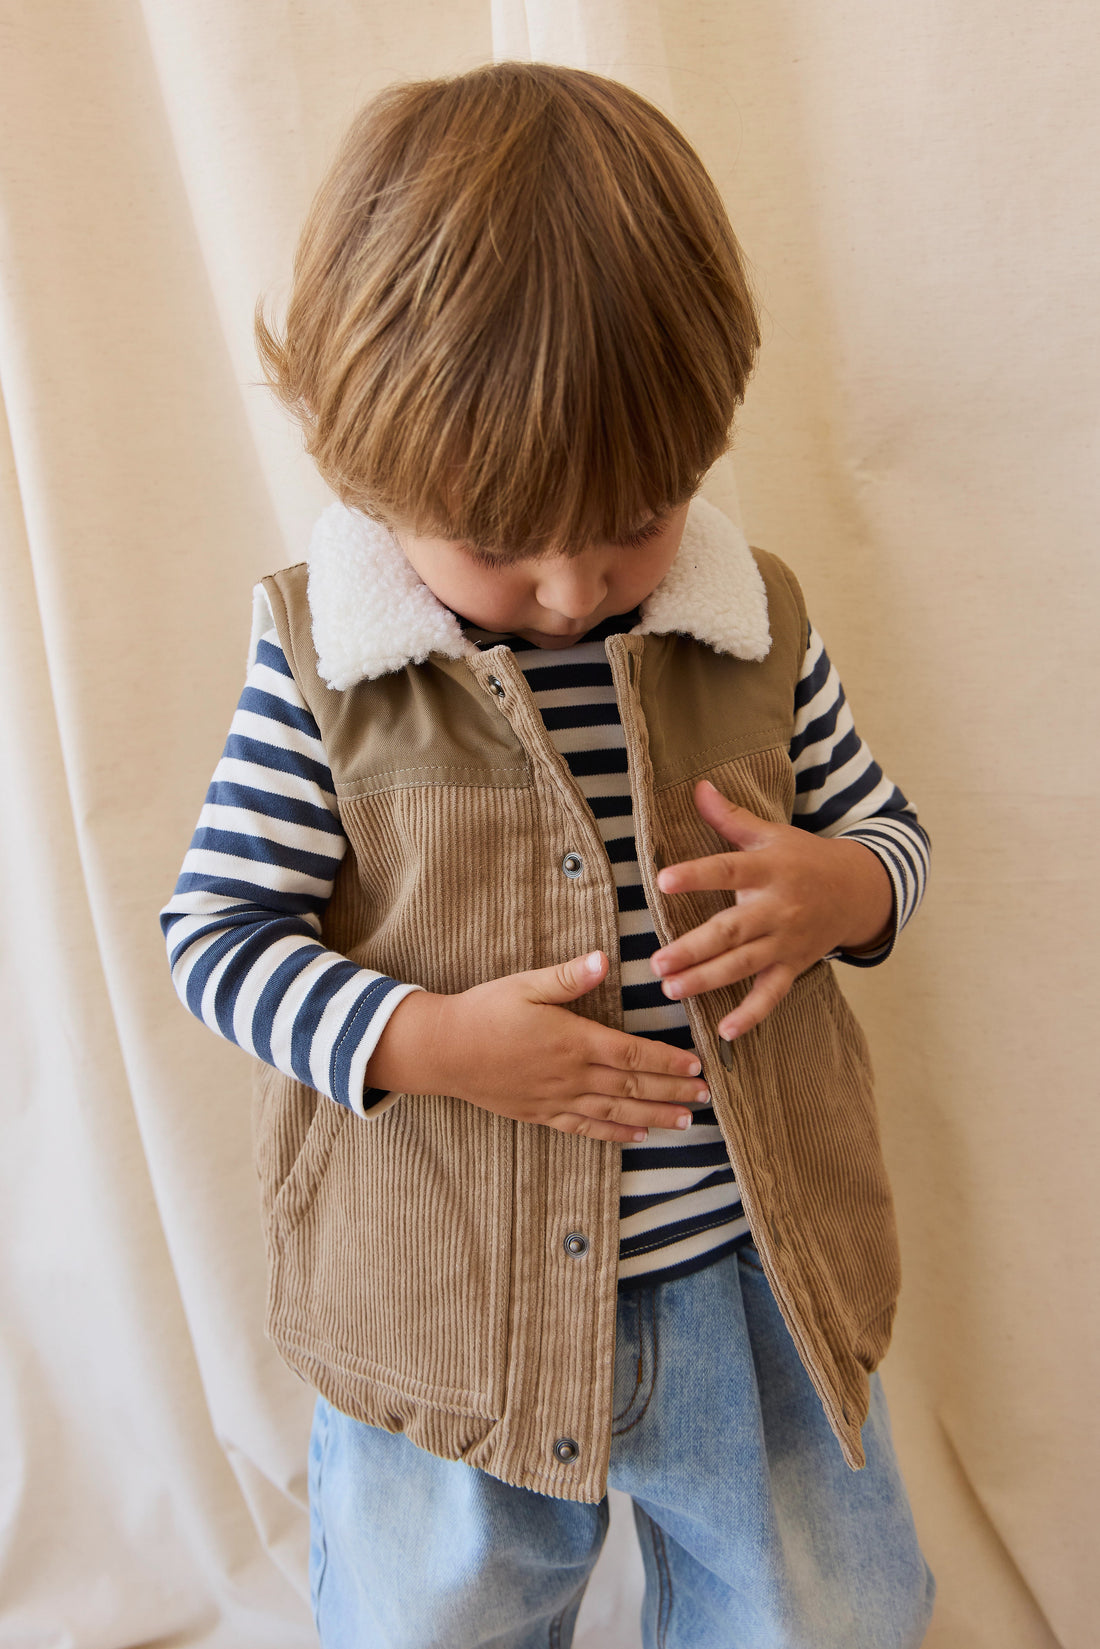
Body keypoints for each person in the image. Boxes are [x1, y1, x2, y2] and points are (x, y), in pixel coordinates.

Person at [162, 60, 934, 1649]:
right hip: (449, 1314)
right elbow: (217, 940)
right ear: (368, 471)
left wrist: (836, 889)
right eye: (500, 543)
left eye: (635, 519)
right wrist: (429, 1039)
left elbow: (889, 837)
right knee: (427, 1618)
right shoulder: (331, 669)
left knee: (821, 1611)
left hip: (746, 1290)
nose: (576, 586)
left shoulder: (755, 624)